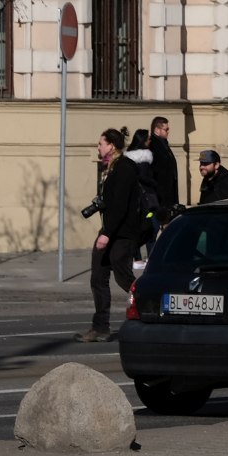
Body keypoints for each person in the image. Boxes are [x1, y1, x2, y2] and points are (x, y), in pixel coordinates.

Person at [76, 129, 142, 343]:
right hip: (111, 230)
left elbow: (120, 205)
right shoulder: (112, 168)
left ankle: (150, 308)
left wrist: (106, 233)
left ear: (111, 146)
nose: (98, 147)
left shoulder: (124, 168)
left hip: (121, 233)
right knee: (98, 277)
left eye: (100, 144)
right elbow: (111, 201)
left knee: (123, 276)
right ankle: (100, 327)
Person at [148, 115, 179, 226]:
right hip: (158, 198)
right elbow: (153, 171)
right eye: (166, 129)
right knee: (154, 228)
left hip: (166, 197)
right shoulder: (152, 145)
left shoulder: (163, 144)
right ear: (157, 129)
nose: (168, 132)